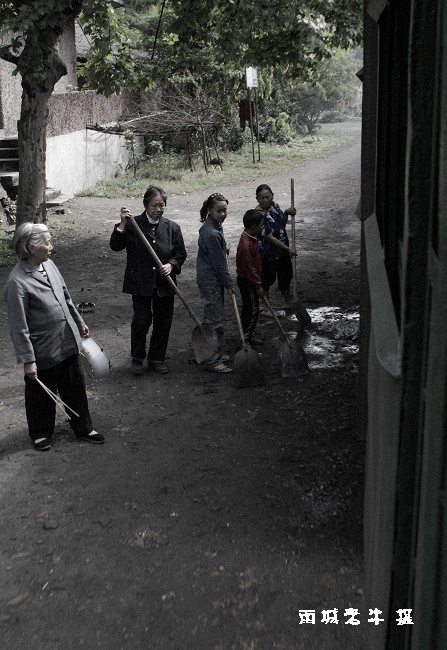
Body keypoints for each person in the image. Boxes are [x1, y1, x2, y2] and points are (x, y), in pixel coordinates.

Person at [4, 223, 104, 451]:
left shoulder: (49, 265)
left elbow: (66, 297)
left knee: (75, 386)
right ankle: (40, 432)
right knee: (40, 393)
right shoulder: (16, 283)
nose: (52, 246)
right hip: (42, 350)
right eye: (47, 242)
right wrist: (28, 360)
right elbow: (18, 327)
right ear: (30, 247)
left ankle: (83, 426)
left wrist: (79, 321)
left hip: (66, 340)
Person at [110, 186, 187, 375]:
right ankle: (137, 358)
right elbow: (115, 246)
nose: (158, 209)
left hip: (164, 283)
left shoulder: (172, 227)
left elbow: (180, 253)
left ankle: (156, 358)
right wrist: (121, 225)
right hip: (140, 282)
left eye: (162, 205)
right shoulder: (133, 224)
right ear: (146, 205)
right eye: (154, 205)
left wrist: (171, 265)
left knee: (163, 322)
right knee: (142, 320)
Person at [196, 192, 235, 373]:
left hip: (212, 277)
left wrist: (223, 246)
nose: (223, 214)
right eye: (219, 211)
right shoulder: (210, 231)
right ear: (210, 210)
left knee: (215, 316)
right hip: (211, 279)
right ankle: (212, 360)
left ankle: (216, 350)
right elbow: (219, 264)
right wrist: (229, 284)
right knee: (214, 319)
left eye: (225, 210)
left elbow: (217, 248)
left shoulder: (214, 226)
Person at [255, 183, 296, 313]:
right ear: (257, 199)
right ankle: (267, 308)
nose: (266, 200)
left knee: (285, 277)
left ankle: (288, 303)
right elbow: (270, 238)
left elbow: (281, 225)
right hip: (268, 254)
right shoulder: (258, 215)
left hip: (282, 252)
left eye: (268, 196)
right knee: (267, 280)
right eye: (262, 198)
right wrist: (287, 249)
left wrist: (286, 213)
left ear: (272, 195)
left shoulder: (275, 206)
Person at [236, 209, 265, 346]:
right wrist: (258, 285)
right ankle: (244, 339)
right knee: (252, 310)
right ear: (254, 227)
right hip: (248, 281)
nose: (263, 227)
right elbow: (249, 268)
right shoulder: (247, 245)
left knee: (249, 309)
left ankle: (247, 335)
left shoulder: (249, 239)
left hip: (249, 279)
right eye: (262, 224)